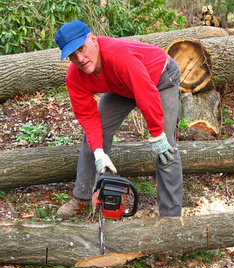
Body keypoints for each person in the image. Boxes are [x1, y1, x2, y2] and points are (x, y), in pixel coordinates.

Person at [54, 20, 183, 218]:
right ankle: (83, 197)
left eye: (82, 48)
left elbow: (146, 92)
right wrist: (98, 151)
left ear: (93, 40)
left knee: (166, 148)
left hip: (160, 78)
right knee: (93, 136)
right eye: (72, 55)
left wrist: (157, 134)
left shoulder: (118, 56)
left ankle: (171, 218)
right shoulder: (74, 76)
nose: (80, 58)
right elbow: (88, 117)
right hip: (122, 86)